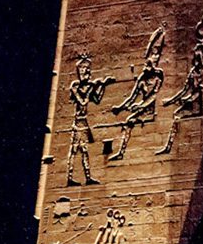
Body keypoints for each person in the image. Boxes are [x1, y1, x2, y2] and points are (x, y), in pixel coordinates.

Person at [108, 27, 165, 160]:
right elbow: (132, 97)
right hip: (143, 107)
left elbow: (153, 96)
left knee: (129, 120)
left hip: (149, 110)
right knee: (129, 116)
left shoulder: (158, 77)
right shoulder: (141, 79)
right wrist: (120, 107)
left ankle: (121, 153)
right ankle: (120, 153)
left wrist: (140, 106)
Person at [155, 21, 203, 155]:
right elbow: (184, 90)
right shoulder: (193, 72)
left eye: (198, 57)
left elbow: (197, 93)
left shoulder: (201, 73)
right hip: (192, 101)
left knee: (177, 115)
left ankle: (169, 146)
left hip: (196, 104)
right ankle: (168, 146)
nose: (196, 60)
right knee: (176, 113)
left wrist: (186, 99)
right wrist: (170, 101)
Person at [63, 53, 115, 185]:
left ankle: (87, 177)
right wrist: (92, 86)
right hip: (77, 122)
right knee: (74, 150)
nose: (86, 70)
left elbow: (97, 100)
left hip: (84, 121)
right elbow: (83, 100)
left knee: (84, 150)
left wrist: (103, 85)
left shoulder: (89, 86)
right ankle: (69, 178)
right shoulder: (75, 85)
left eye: (87, 68)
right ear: (79, 70)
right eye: (83, 68)